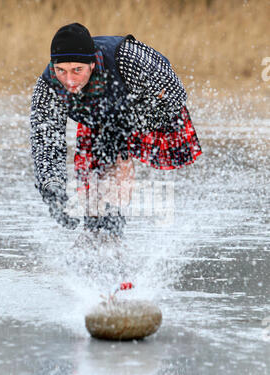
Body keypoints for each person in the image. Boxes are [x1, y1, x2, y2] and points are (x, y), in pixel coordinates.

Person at [30, 23, 202, 238]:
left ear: (91, 64)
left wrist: (131, 126)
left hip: (145, 107)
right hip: (95, 115)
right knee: (92, 183)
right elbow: (45, 140)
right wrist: (51, 188)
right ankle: (92, 229)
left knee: (119, 156)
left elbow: (175, 96)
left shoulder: (129, 58)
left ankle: (114, 223)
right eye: (61, 71)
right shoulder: (48, 86)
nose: (69, 80)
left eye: (77, 70)